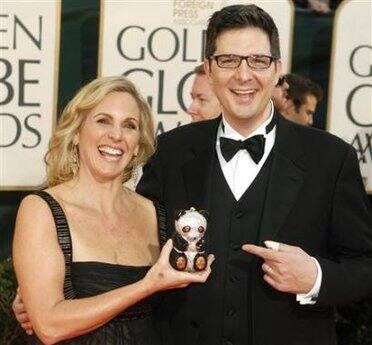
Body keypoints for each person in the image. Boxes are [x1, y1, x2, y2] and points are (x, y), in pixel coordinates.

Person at [136, 4, 372, 345]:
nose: (243, 75)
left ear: (277, 69)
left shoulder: (331, 159)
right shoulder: (170, 151)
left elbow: (364, 265)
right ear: (209, 68)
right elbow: (131, 245)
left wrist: (316, 277)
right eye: (229, 60)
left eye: (258, 61)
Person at [12, 76, 213, 344]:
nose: (116, 135)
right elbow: (49, 326)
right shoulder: (41, 210)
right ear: (76, 134)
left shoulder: (158, 213)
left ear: (138, 146)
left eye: (129, 126)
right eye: (103, 120)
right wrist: (146, 286)